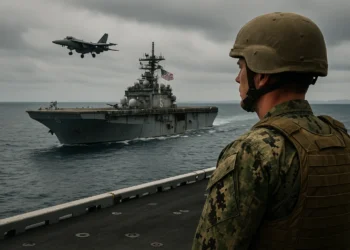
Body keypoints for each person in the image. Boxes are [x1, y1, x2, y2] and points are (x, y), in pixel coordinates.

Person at [192, 12, 350, 250]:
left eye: (241, 67)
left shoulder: (252, 152)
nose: (237, 78)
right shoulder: (341, 138)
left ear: (262, 75)